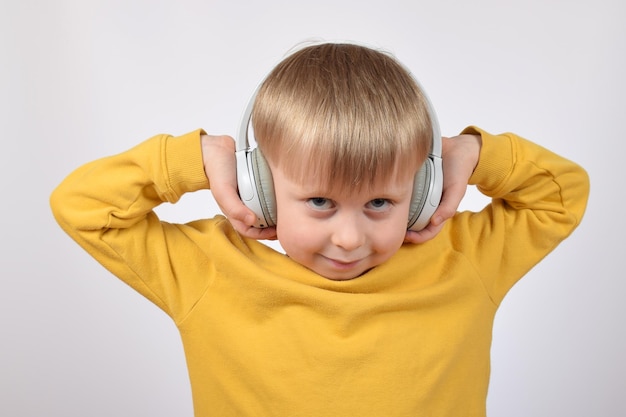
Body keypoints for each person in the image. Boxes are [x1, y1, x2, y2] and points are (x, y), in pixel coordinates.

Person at [50, 42, 589, 416]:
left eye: (380, 201)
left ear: (422, 192)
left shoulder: (464, 258)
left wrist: (473, 152)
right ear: (259, 185)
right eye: (319, 202)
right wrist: (194, 160)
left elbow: (562, 194)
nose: (351, 238)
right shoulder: (209, 269)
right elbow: (82, 207)